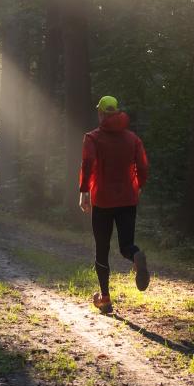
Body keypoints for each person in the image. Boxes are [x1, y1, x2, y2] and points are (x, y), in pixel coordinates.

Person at [79, 95, 150, 314]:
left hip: (102, 201)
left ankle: (105, 299)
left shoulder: (93, 138)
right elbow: (143, 166)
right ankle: (136, 255)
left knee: (102, 250)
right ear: (117, 112)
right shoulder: (132, 138)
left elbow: (88, 163)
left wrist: (84, 192)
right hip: (128, 199)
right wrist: (139, 185)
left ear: (100, 113)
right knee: (126, 245)